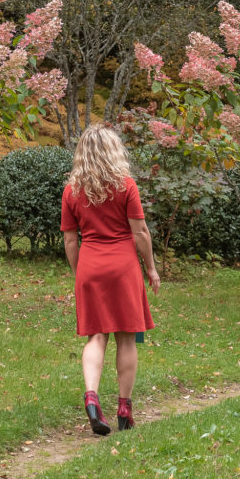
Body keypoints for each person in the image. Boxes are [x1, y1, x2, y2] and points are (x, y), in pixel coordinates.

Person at [60, 123, 160, 435]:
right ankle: (124, 409)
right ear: (113, 151)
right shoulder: (126, 185)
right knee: (127, 337)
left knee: (96, 336)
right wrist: (152, 269)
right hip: (123, 269)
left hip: (90, 266)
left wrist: (80, 274)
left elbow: (70, 240)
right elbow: (140, 232)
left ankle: (92, 397)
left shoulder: (71, 191)